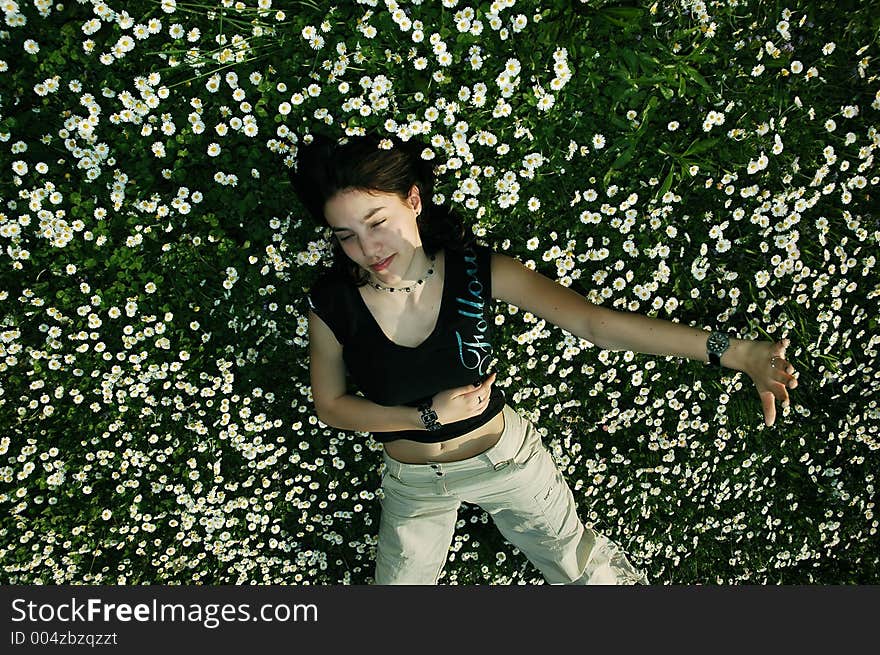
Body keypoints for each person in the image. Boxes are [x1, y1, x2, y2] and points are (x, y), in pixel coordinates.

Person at [293, 133, 799, 585]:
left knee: (577, 568)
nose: (367, 247)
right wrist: (422, 418)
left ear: (414, 200)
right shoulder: (332, 303)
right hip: (414, 482)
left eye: (377, 222)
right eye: (345, 236)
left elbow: (594, 323)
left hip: (506, 460)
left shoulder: (477, 271)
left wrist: (734, 352)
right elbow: (332, 405)